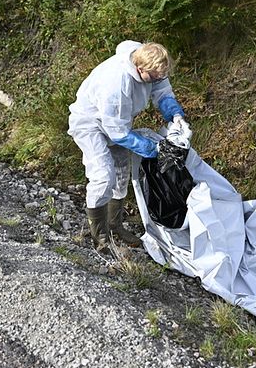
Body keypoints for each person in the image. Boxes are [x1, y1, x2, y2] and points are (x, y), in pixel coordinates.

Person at [67, 40, 188, 251]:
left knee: (121, 177)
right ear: (139, 69)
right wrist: (155, 149)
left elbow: (162, 91)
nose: (157, 79)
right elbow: (118, 132)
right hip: (90, 125)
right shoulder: (117, 83)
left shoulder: (152, 65)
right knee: (103, 176)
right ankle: (100, 237)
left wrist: (175, 114)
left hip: (118, 122)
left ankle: (115, 225)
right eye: (154, 76)